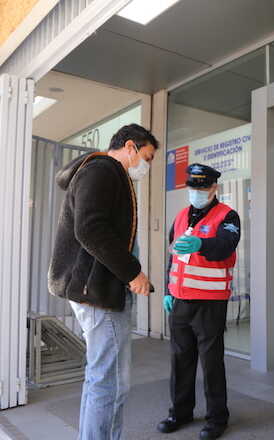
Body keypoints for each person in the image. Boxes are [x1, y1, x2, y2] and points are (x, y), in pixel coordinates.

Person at [48, 124, 158, 440]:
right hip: (98, 292)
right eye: (147, 157)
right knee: (109, 380)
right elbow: (91, 229)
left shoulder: (107, 174)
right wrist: (133, 273)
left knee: (103, 378)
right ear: (130, 147)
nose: (146, 166)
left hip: (98, 289)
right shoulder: (102, 171)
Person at [158, 164, 241, 439]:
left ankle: (217, 418)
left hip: (210, 302)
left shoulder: (228, 215)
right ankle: (179, 413)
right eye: (193, 187)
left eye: (202, 187)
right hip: (180, 301)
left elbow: (226, 245)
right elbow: (173, 254)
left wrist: (201, 245)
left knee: (211, 362)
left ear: (214, 188)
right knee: (180, 360)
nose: (196, 192)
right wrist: (168, 290)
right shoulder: (182, 215)